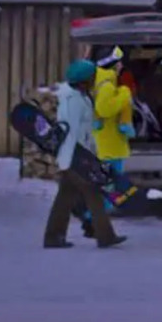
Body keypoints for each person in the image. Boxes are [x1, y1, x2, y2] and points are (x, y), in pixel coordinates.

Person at [44, 59, 127, 250]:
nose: (93, 80)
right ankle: (105, 236)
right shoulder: (72, 101)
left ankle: (53, 237)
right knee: (93, 193)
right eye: (91, 78)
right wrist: (81, 158)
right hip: (76, 156)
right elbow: (71, 131)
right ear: (83, 81)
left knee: (65, 198)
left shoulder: (80, 96)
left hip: (77, 155)